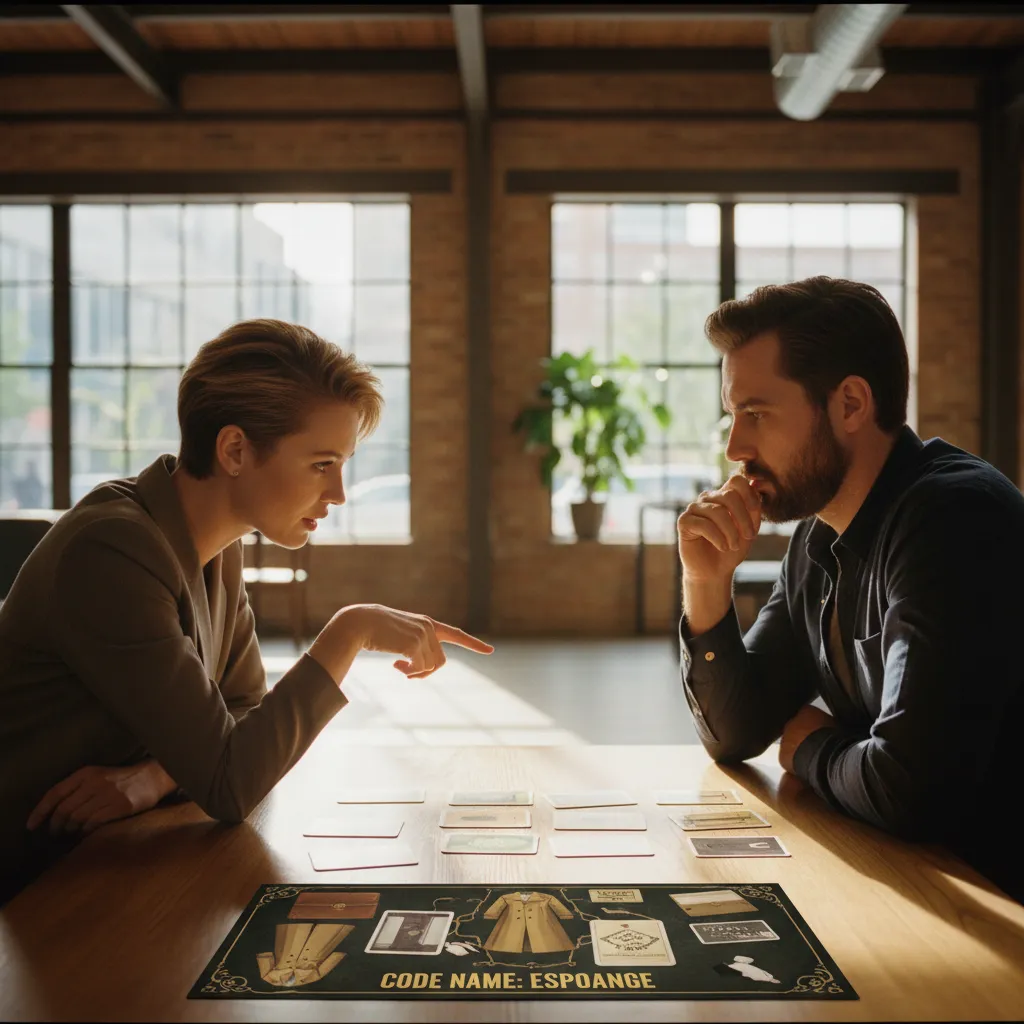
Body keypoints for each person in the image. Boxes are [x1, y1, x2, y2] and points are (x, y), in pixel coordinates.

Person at [0, 318, 493, 904]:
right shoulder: (113, 549)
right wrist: (349, 631)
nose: (337, 493)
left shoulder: (214, 545)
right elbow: (232, 782)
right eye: (321, 464)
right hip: (34, 887)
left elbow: (243, 710)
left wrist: (154, 777)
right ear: (235, 450)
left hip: (113, 859)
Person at [677, 277, 1024, 903]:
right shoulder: (820, 531)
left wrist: (811, 746)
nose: (736, 448)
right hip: (920, 883)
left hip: (991, 902)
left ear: (851, 405)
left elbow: (911, 792)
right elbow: (737, 732)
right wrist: (705, 584)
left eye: (756, 414)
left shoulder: (954, 519)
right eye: (734, 415)